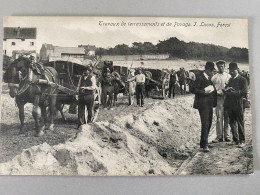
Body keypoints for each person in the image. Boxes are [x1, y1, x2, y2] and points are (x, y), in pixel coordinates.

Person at [193, 62, 217, 152]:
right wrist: (204, 92)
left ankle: (203, 142)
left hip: (209, 104)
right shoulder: (200, 78)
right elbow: (193, 89)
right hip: (203, 104)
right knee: (205, 123)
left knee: (209, 122)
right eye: (211, 71)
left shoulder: (208, 78)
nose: (212, 73)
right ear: (207, 69)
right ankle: (205, 144)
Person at [223, 62, 248, 148]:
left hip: (238, 103)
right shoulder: (230, 80)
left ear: (237, 70)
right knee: (232, 121)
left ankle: (242, 140)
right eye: (230, 71)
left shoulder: (243, 79)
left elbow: (244, 91)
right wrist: (226, 90)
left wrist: (234, 92)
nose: (231, 73)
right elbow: (227, 89)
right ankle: (235, 139)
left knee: (240, 121)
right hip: (230, 103)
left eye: (233, 71)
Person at [211, 60, 231, 143]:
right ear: (217, 67)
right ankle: (219, 136)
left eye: (222, 66)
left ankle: (227, 136)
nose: (221, 68)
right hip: (219, 99)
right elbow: (212, 88)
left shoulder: (229, 76)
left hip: (227, 99)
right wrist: (217, 93)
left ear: (224, 67)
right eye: (219, 66)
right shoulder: (214, 77)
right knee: (219, 118)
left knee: (227, 117)